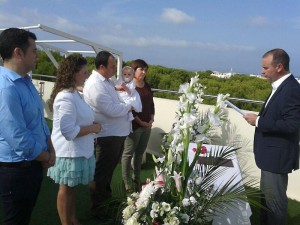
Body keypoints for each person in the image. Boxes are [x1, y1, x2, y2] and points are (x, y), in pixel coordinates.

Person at [0, 28, 55, 225]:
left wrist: (50, 145)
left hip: (31, 165)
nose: (37, 56)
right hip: (16, 170)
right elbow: (18, 138)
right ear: (18, 52)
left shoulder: (25, 81)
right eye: (34, 51)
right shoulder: (5, 88)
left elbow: (39, 120)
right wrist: (46, 156)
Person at [243, 48, 300, 225]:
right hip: (270, 157)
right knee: (267, 202)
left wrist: (258, 121)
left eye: (265, 68)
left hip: (277, 158)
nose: (262, 71)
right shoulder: (281, 86)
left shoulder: (291, 89)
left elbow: (291, 125)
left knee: (275, 206)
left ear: (279, 67)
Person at [47, 54, 101, 225]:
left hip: (77, 151)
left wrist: (92, 125)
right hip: (68, 152)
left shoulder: (74, 93)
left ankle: (72, 219)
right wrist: (93, 128)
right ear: (73, 73)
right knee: (65, 189)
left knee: (70, 189)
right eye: (84, 72)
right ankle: (66, 222)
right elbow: (69, 131)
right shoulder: (65, 97)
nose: (86, 76)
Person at [83, 50, 131, 221]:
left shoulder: (106, 82)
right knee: (102, 173)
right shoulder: (96, 85)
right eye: (112, 66)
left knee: (108, 172)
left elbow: (115, 101)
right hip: (107, 135)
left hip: (115, 134)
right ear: (102, 67)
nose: (114, 70)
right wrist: (128, 106)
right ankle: (98, 208)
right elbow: (111, 109)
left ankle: (106, 201)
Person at [121, 59, 155, 192]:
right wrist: (141, 122)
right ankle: (127, 183)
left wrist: (151, 119)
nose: (144, 72)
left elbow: (151, 104)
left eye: (145, 70)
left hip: (147, 126)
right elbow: (129, 107)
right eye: (141, 69)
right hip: (134, 126)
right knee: (128, 153)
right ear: (134, 70)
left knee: (140, 154)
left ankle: (137, 180)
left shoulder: (147, 86)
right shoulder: (129, 86)